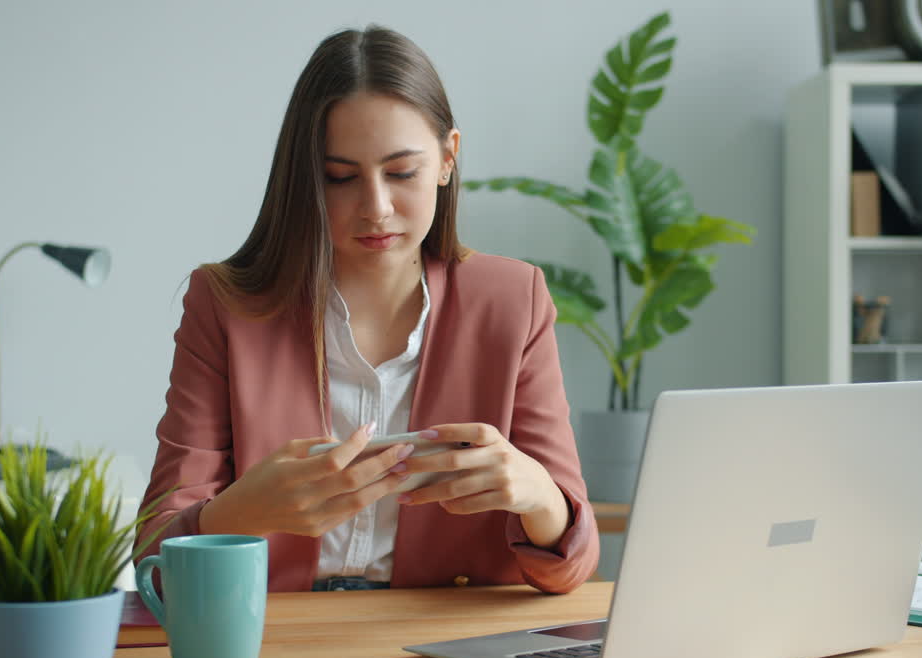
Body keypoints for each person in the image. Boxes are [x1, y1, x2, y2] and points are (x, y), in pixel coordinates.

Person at [135, 24, 598, 594]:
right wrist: (236, 513)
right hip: (271, 643)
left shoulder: (512, 300)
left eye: (402, 172)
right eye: (340, 178)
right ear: (306, 179)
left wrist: (536, 494)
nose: (376, 208)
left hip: (447, 648)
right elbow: (155, 555)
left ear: (449, 158)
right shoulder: (226, 306)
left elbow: (574, 562)